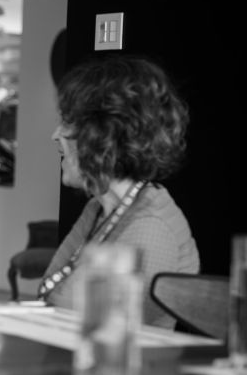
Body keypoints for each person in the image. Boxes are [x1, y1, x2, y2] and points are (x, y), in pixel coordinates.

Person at [38, 54, 199, 328]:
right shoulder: (98, 209)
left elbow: (101, 326)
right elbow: (50, 294)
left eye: (68, 122)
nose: (56, 135)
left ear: (103, 135)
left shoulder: (151, 225)